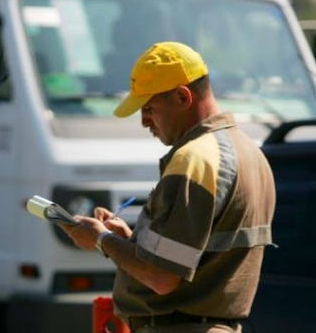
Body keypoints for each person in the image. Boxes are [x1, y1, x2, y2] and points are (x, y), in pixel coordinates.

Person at [61, 42, 276, 333]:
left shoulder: (194, 159)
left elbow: (162, 277)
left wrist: (101, 240)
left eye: (149, 108)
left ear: (181, 96)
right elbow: (196, 253)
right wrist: (131, 241)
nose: (144, 121)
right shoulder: (250, 153)